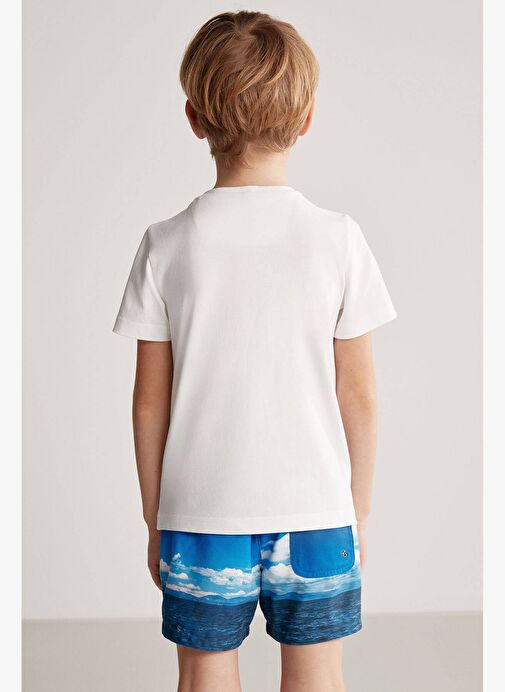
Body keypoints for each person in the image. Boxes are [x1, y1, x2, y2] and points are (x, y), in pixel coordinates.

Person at [113, 10, 396, 692]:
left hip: (200, 514)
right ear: (306, 119)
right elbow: (357, 394)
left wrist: (156, 520)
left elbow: (149, 403)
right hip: (317, 511)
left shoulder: (166, 243)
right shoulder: (338, 238)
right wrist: (355, 511)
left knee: (203, 677)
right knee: (318, 679)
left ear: (193, 118)